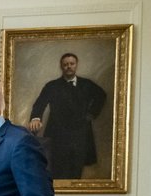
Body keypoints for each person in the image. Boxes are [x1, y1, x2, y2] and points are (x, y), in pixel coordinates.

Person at [27, 52, 107, 180]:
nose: (68, 66)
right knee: (57, 171)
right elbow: (40, 103)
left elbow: (101, 95)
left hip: (80, 134)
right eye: (65, 64)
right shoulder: (52, 86)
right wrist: (36, 118)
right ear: (61, 66)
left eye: (71, 64)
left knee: (76, 170)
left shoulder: (86, 84)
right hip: (58, 135)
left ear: (76, 65)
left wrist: (92, 113)